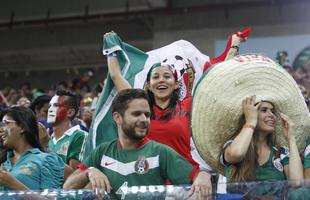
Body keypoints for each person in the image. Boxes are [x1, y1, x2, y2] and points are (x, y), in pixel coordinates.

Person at [100, 31, 247, 197]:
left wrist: (235, 44)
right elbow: (115, 75)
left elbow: (220, 79)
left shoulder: (189, 104)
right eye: (156, 77)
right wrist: (111, 47)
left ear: (176, 84)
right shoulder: (139, 107)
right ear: (148, 84)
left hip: (188, 185)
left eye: (167, 76)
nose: (161, 80)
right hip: (149, 187)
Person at [64, 89, 204, 200]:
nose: (144, 120)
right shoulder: (102, 152)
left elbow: (197, 179)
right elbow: (68, 186)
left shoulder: (161, 152)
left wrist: (203, 176)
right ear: (118, 117)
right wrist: (89, 171)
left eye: (147, 115)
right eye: (137, 114)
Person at [220, 95, 303, 182]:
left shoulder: (280, 152)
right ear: (248, 114)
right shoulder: (232, 145)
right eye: (264, 110)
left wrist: (291, 138)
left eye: (273, 111)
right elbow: (236, 154)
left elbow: (298, 183)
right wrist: (251, 121)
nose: (272, 115)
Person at [0, 106, 64, 190]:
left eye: (5, 124)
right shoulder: (4, 163)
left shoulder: (46, 160)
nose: (1, 129)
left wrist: (13, 184)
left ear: (22, 127)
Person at [47, 90, 87, 175]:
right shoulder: (50, 138)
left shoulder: (79, 135)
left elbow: (74, 177)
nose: (50, 109)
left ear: (70, 112)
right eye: (49, 106)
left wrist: (45, 150)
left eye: (56, 105)